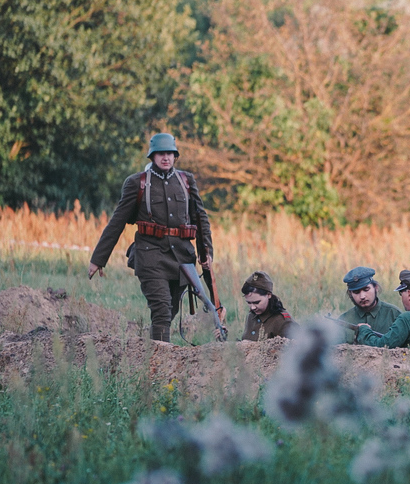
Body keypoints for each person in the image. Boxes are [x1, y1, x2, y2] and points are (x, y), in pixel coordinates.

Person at [88, 133, 213, 342]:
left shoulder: (186, 181)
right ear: (152, 157)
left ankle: (151, 351)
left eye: (170, 154)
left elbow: (200, 220)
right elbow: (117, 222)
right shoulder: (137, 183)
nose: (166, 158)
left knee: (169, 311)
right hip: (150, 257)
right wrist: (98, 259)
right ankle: (160, 364)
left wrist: (206, 252)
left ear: (175, 156)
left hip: (182, 258)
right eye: (161, 154)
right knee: (162, 309)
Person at [338, 266, 401, 343]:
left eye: (366, 289)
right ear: (350, 294)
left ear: (376, 288)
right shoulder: (344, 320)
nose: (362, 296)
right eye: (356, 292)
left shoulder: (394, 315)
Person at [241, 271, 297, 341]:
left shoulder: (283, 321)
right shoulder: (251, 316)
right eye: (249, 302)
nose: (252, 307)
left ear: (269, 295)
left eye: (257, 302)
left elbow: (297, 347)